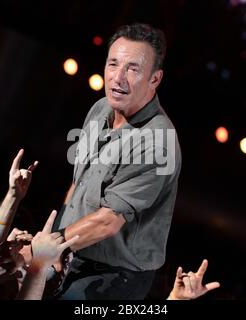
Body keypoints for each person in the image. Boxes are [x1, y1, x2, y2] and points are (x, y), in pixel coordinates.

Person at [49, 23, 182, 300]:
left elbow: (109, 221)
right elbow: (78, 184)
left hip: (116, 277)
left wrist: (53, 246)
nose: (117, 78)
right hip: (73, 251)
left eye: (132, 69)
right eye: (113, 64)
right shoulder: (100, 109)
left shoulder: (158, 141)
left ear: (155, 79)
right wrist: (51, 238)